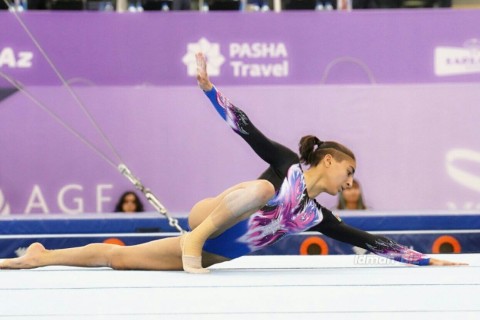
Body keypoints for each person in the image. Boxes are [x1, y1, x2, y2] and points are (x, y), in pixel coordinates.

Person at [0, 53, 465, 273]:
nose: (351, 180)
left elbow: (367, 238)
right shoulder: (287, 165)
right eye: (349, 170)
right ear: (328, 160)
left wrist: (424, 260)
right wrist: (208, 89)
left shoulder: (316, 215)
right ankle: (191, 242)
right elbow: (244, 127)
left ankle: (39, 258)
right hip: (211, 216)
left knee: (117, 258)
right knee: (264, 190)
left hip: (217, 251)